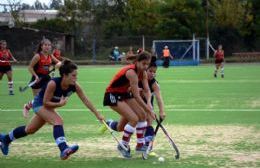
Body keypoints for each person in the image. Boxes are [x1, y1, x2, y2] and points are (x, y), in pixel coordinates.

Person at [0, 60, 104, 160]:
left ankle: (6, 139)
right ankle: (64, 149)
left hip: (48, 106)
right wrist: (60, 104)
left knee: (30, 129)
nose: (76, 78)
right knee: (57, 120)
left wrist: (97, 114)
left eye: (76, 75)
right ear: (64, 75)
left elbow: (86, 100)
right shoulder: (53, 84)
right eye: (73, 76)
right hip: (39, 104)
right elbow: (45, 103)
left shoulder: (74, 86)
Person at [103, 56, 166, 155]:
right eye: (145, 65)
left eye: (147, 65)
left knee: (143, 116)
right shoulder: (132, 73)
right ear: (138, 62)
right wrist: (149, 109)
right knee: (126, 123)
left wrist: (150, 105)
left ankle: (141, 145)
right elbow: (135, 95)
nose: (146, 68)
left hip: (126, 96)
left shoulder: (146, 76)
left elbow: (148, 91)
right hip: (115, 95)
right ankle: (122, 143)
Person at [23, 38, 61, 118]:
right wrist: (36, 76)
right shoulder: (37, 56)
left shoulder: (50, 55)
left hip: (46, 78)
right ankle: (27, 106)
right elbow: (30, 67)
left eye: (49, 45)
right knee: (38, 100)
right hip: (37, 79)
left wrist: (57, 65)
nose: (47, 47)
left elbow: (58, 63)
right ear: (41, 46)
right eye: (45, 45)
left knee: (48, 97)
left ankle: (50, 113)